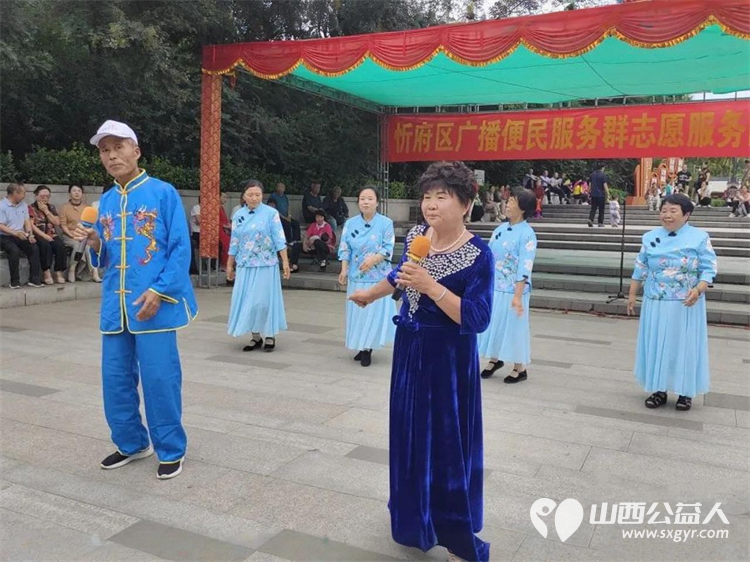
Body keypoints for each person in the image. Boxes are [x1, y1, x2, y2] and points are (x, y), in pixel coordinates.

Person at [349, 161, 493, 562]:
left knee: (446, 447)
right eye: (427, 196)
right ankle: (414, 519)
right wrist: (371, 294)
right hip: (409, 349)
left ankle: (455, 532)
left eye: (441, 197)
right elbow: (402, 274)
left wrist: (432, 288)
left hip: (448, 362)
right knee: (409, 437)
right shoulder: (417, 236)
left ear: (465, 204)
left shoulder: (480, 255)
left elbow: (477, 318)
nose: (431, 205)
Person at [75, 119, 198, 479]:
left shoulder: (163, 193)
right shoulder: (106, 201)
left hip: (154, 305)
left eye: (118, 147)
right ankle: (131, 443)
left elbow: (180, 249)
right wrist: (95, 244)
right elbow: (105, 257)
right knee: (115, 380)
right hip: (116, 307)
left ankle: (171, 448)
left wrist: (160, 290)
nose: (111, 155)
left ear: (136, 151)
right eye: (104, 150)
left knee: (160, 379)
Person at [627, 193, 717, 412]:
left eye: (673, 211)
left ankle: (685, 392)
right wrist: (632, 294)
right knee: (657, 344)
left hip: (685, 302)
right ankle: (659, 389)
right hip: (655, 301)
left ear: (686, 214)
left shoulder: (699, 237)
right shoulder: (649, 237)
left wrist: (699, 289)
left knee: (684, 345)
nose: (667, 215)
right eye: (664, 210)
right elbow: (640, 267)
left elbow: (709, 268)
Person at [477, 187, 537, 383]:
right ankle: (495, 359)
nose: (508, 204)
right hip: (495, 286)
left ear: (523, 208)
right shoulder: (500, 229)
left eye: (512, 201)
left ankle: (520, 368)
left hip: (514, 289)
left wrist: (518, 296)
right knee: (494, 324)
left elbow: (525, 266)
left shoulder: (527, 234)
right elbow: (488, 255)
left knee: (513, 326)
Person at [227, 180, 291, 352]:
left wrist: (285, 261)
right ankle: (255, 336)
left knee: (263, 301)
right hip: (245, 263)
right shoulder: (239, 215)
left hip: (266, 263)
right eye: (250, 195)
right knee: (248, 301)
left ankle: (269, 334)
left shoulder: (271, 213)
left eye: (258, 195)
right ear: (244, 196)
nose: (254, 198)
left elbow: (279, 238)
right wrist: (230, 264)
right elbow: (234, 241)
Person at [338, 187, 397, 367]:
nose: (366, 202)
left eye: (370, 198)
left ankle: (367, 348)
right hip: (356, 276)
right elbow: (345, 248)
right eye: (362, 198)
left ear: (377, 202)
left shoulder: (385, 223)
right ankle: (361, 345)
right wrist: (344, 270)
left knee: (372, 314)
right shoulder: (350, 224)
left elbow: (388, 247)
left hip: (377, 277)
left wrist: (374, 259)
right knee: (358, 314)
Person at [0, 183, 43, 289]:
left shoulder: (23, 205)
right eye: (23, 193)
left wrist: (30, 234)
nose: (25, 195)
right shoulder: (2, 205)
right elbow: (1, 226)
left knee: (34, 248)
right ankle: (14, 281)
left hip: (21, 234)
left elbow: (26, 221)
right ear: (15, 193)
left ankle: (34, 279)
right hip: (5, 236)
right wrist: (16, 233)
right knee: (14, 250)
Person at [61, 184, 101, 283]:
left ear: (82, 193)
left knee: (89, 247)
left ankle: (94, 273)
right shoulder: (64, 207)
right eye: (74, 191)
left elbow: (91, 225)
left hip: (84, 234)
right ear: (70, 193)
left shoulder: (87, 208)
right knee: (78, 244)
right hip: (69, 235)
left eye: (79, 191)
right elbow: (63, 226)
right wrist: (72, 235)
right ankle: (72, 268)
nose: (77, 193)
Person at [29, 185, 67, 284]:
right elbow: (31, 225)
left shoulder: (51, 207)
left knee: (60, 245)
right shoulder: (31, 208)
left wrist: (46, 211)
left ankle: (59, 272)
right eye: (42, 196)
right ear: (36, 196)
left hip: (52, 234)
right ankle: (46, 272)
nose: (45, 198)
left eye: (48, 196)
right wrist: (44, 235)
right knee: (45, 245)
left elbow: (57, 222)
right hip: (38, 234)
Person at [219, 192, 231, 270]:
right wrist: (225, 226)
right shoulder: (216, 208)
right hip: (219, 230)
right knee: (227, 243)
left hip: (224, 229)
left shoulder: (221, 207)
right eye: (223, 197)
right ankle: (224, 264)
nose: (225, 199)